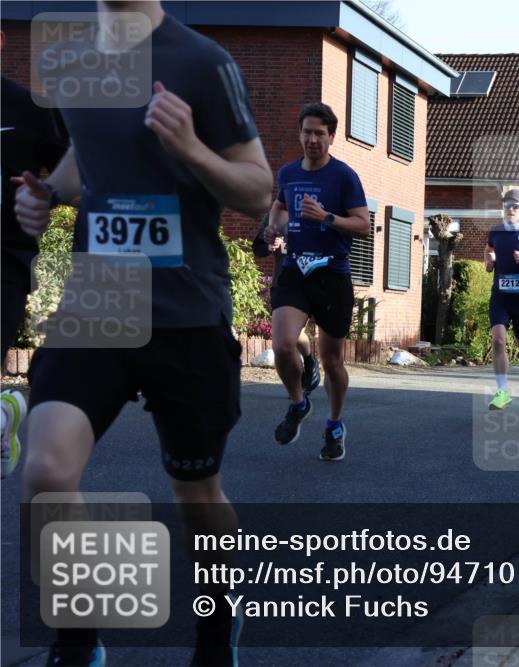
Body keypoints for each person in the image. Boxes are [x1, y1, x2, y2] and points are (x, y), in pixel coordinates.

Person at [13, 2, 273, 665]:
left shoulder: (204, 63)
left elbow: (257, 189)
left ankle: (217, 625)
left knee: (196, 492)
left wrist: (188, 148)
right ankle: (79, 639)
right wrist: (44, 197)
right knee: (45, 468)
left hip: (186, 310)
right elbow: (84, 158)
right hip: (98, 303)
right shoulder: (68, 61)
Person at [263, 102, 370, 461]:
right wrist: (274, 226)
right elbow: (280, 206)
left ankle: (335, 424)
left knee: (333, 361)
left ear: (331, 137)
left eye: (320, 133)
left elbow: (363, 224)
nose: (312, 139)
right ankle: (298, 404)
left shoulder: (344, 176)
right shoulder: (289, 173)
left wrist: (327, 218)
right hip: (295, 270)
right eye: (307, 132)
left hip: (332, 276)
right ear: (300, 133)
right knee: (281, 344)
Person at [1, 31, 70, 478]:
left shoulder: (28, 107)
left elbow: (75, 171)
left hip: (5, 260)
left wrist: (47, 194)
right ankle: (6, 411)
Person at [252, 214, 319, 394]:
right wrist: (268, 246)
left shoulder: (313, 211)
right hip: (280, 284)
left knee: (293, 334)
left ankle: (303, 376)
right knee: (288, 338)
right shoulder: (274, 215)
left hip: (306, 284)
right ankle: (308, 363)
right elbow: (257, 247)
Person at [484, 189, 519, 410]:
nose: (510, 209)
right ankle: (502, 391)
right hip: (500, 296)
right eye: (507, 205)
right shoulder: (495, 231)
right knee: (497, 340)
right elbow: (488, 251)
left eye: (515, 206)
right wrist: (489, 259)